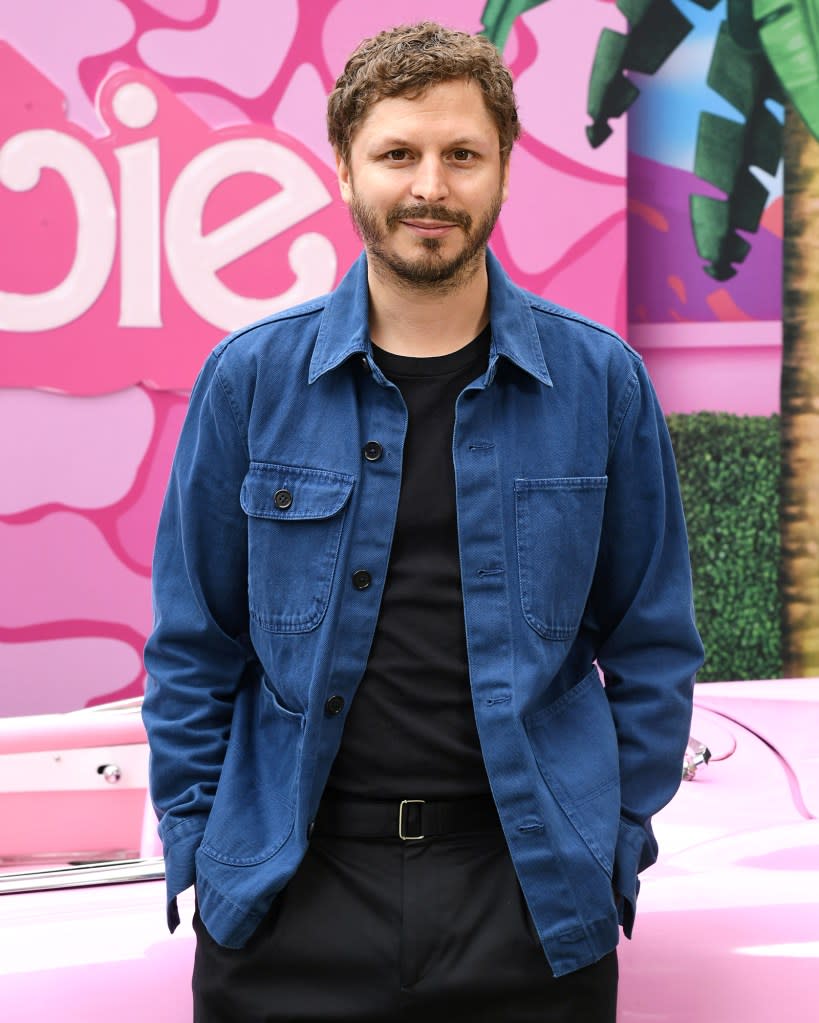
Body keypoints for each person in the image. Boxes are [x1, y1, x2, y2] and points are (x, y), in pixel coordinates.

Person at [142, 21, 704, 1022]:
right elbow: (195, 643)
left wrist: (612, 836)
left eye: (461, 155)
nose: (430, 188)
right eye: (398, 154)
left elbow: (653, 641)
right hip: (292, 897)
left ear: (502, 169)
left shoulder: (599, 381)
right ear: (347, 172)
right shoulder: (251, 381)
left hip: (526, 898)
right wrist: (196, 838)